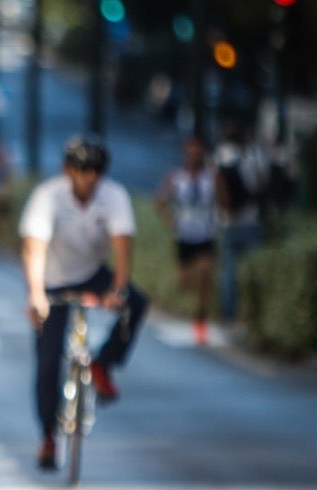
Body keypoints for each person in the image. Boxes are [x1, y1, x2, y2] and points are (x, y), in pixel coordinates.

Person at [18, 134, 150, 471]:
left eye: (95, 170)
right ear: (68, 170)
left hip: (92, 273)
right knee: (48, 360)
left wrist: (118, 289)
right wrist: (35, 294)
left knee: (136, 302)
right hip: (53, 279)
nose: (89, 177)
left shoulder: (113, 196)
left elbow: (122, 245)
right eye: (82, 169)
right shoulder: (47, 197)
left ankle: (103, 364)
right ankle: (47, 436)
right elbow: (34, 247)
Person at [155, 134, 218, 344]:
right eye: (190, 151)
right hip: (185, 236)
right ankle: (192, 301)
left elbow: (224, 199)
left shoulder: (211, 178)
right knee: (185, 283)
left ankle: (200, 317)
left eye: (198, 151)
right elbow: (160, 201)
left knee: (204, 272)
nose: (194, 155)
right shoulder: (176, 178)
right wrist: (171, 221)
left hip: (205, 235)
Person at [213, 121, 269, 322]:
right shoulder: (252, 156)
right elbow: (264, 182)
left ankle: (228, 313)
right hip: (250, 221)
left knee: (228, 272)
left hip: (227, 221)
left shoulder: (219, 155)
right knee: (254, 269)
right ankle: (255, 314)